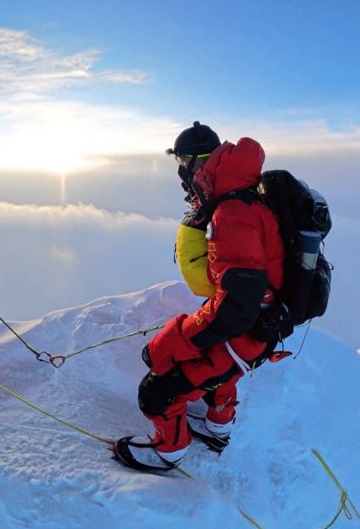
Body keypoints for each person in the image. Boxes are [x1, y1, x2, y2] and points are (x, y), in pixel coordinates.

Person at [114, 122, 285, 470]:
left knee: (157, 387)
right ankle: (217, 428)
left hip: (246, 331)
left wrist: (177, 341)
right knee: (221, 370)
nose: (180, 171)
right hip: (262, 326)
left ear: (196, 161)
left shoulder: (232, 213)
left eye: (181, 161)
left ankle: (168, 450)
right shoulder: (240, 196)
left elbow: (235, 308)